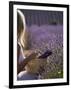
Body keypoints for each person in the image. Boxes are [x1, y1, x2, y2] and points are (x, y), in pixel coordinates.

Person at [17, 10, 52, 80]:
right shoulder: (16, 45)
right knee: (36, 78)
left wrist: (36, 68)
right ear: (20, 26)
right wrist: (29, 58)